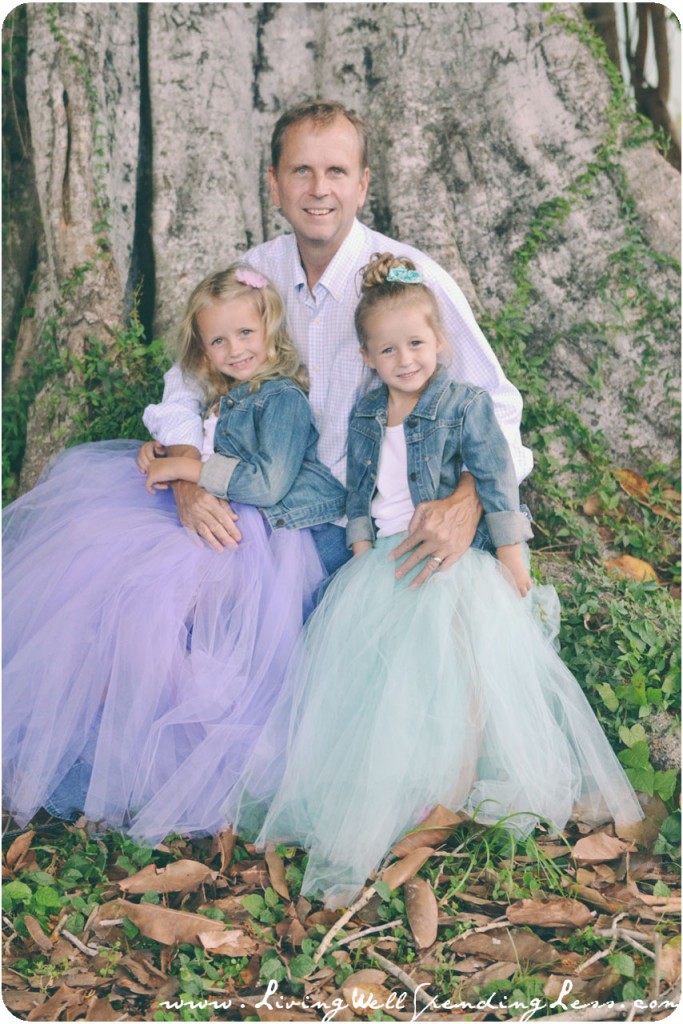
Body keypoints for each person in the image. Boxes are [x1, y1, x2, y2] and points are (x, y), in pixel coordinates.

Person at [224, 255, 643, 910]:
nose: (405, 358)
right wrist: (360, 545)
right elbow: (360, 489)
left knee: (461, 666)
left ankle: (451, 790)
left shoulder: (463, 405)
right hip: (386, 560)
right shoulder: (365, 417)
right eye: (388, 349)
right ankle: (389, 786)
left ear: (440, 343)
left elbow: (497, 481)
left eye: (416, 343)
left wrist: (512, 558)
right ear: (367, 355)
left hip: (452, 561)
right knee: (383, 675)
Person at [2, 264, 346, 840]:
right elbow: (204, 452)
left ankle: (201, 742)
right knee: (102, 565)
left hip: (267, 532)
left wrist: (187, 466)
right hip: (222, 520)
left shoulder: (281, 398)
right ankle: (124, 728)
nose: (234, 349)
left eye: (245, 334)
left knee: (168, 606)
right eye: (218, 340)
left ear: (271, 332)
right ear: (203, 353)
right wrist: (160, 454)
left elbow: (269, 484)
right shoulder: (226, 399)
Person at [146, 99, 533, 586]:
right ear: (274, 184)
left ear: (363, 184)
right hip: (260, 504)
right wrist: (186, 478)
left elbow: (497, 405)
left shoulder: (408, 284)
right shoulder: (255, 275)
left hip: (362, 523)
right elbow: (185, 382)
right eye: (301, 170)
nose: (318, 189)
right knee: (153, 588)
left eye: (336, 171)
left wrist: (466, 501)